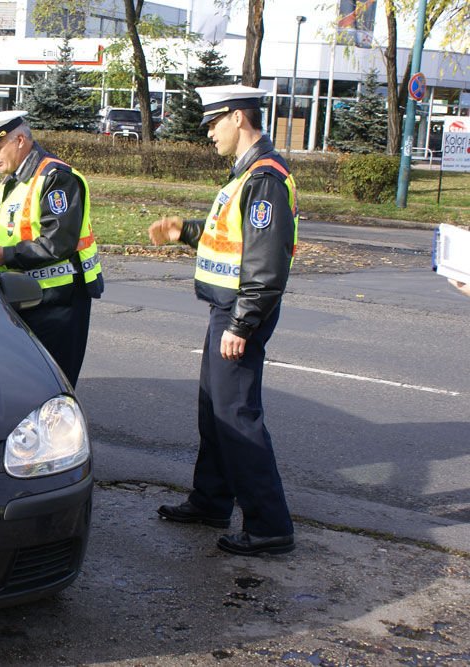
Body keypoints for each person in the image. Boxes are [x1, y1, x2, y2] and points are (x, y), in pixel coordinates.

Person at [148, 85, 298, 557]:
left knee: (237, 419)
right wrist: (185, 231)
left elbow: (266, 266)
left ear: (238, 117)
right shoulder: (245, 175)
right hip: (225, 310)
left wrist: (242, 324)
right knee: (215, 410)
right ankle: (211, 500)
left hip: (238, 313)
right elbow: (232, 240)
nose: (209, 133)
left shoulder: (265, 179)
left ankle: (270, 526)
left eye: (214, 123)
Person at [0, 110, 104, 386]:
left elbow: (58, 242)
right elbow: (11, 231)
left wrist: (5, 255)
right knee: (26, 383)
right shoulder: (14, 179)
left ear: (19, 140)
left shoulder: (56, 177)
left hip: (59, 301)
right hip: (25, 298)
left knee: (51, 384)